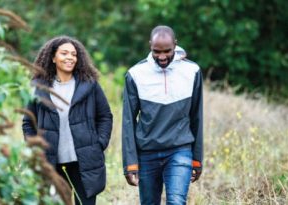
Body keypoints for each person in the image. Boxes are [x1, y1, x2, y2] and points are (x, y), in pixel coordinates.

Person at [22, 36, 113, 205]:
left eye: (74, 54)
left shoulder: (89, 84)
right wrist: (34, 149)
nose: (70, 57)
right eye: (64, 53)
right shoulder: (39, 87)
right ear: (53, 57)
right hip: (51, 162)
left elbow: (105, 116)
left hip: (84, 162)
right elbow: (28, 122)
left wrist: (99, 143)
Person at [122, 25, 203, 205]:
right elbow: (128, 121)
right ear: (150, 45)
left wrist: (197, 158)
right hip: (147, 153)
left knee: (176, 201)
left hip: (180, 150)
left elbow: (197, 117)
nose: (162, 56)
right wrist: (130, 163)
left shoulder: (192, 72)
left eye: (167, 51)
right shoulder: (135, 74)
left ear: (175, 44)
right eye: (156, 51)